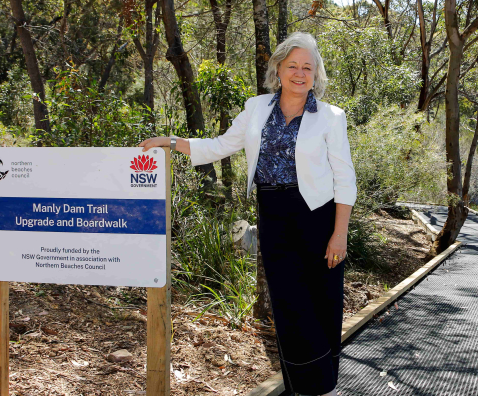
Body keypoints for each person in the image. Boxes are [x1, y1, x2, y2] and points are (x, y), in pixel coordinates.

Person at [138, 32, 356, 396]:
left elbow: (344, 177)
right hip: (273, 214)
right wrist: (170, 142)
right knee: (288, 304)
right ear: (279, 69)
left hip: (317, 217)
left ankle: (323, 386)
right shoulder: (257, 108)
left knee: (321, 300)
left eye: (308, 67)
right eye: (292, 66)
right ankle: (303, 385)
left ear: (316, 73)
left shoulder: (331, 117)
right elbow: (220, 146)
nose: (300, 73)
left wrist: (340, 233)